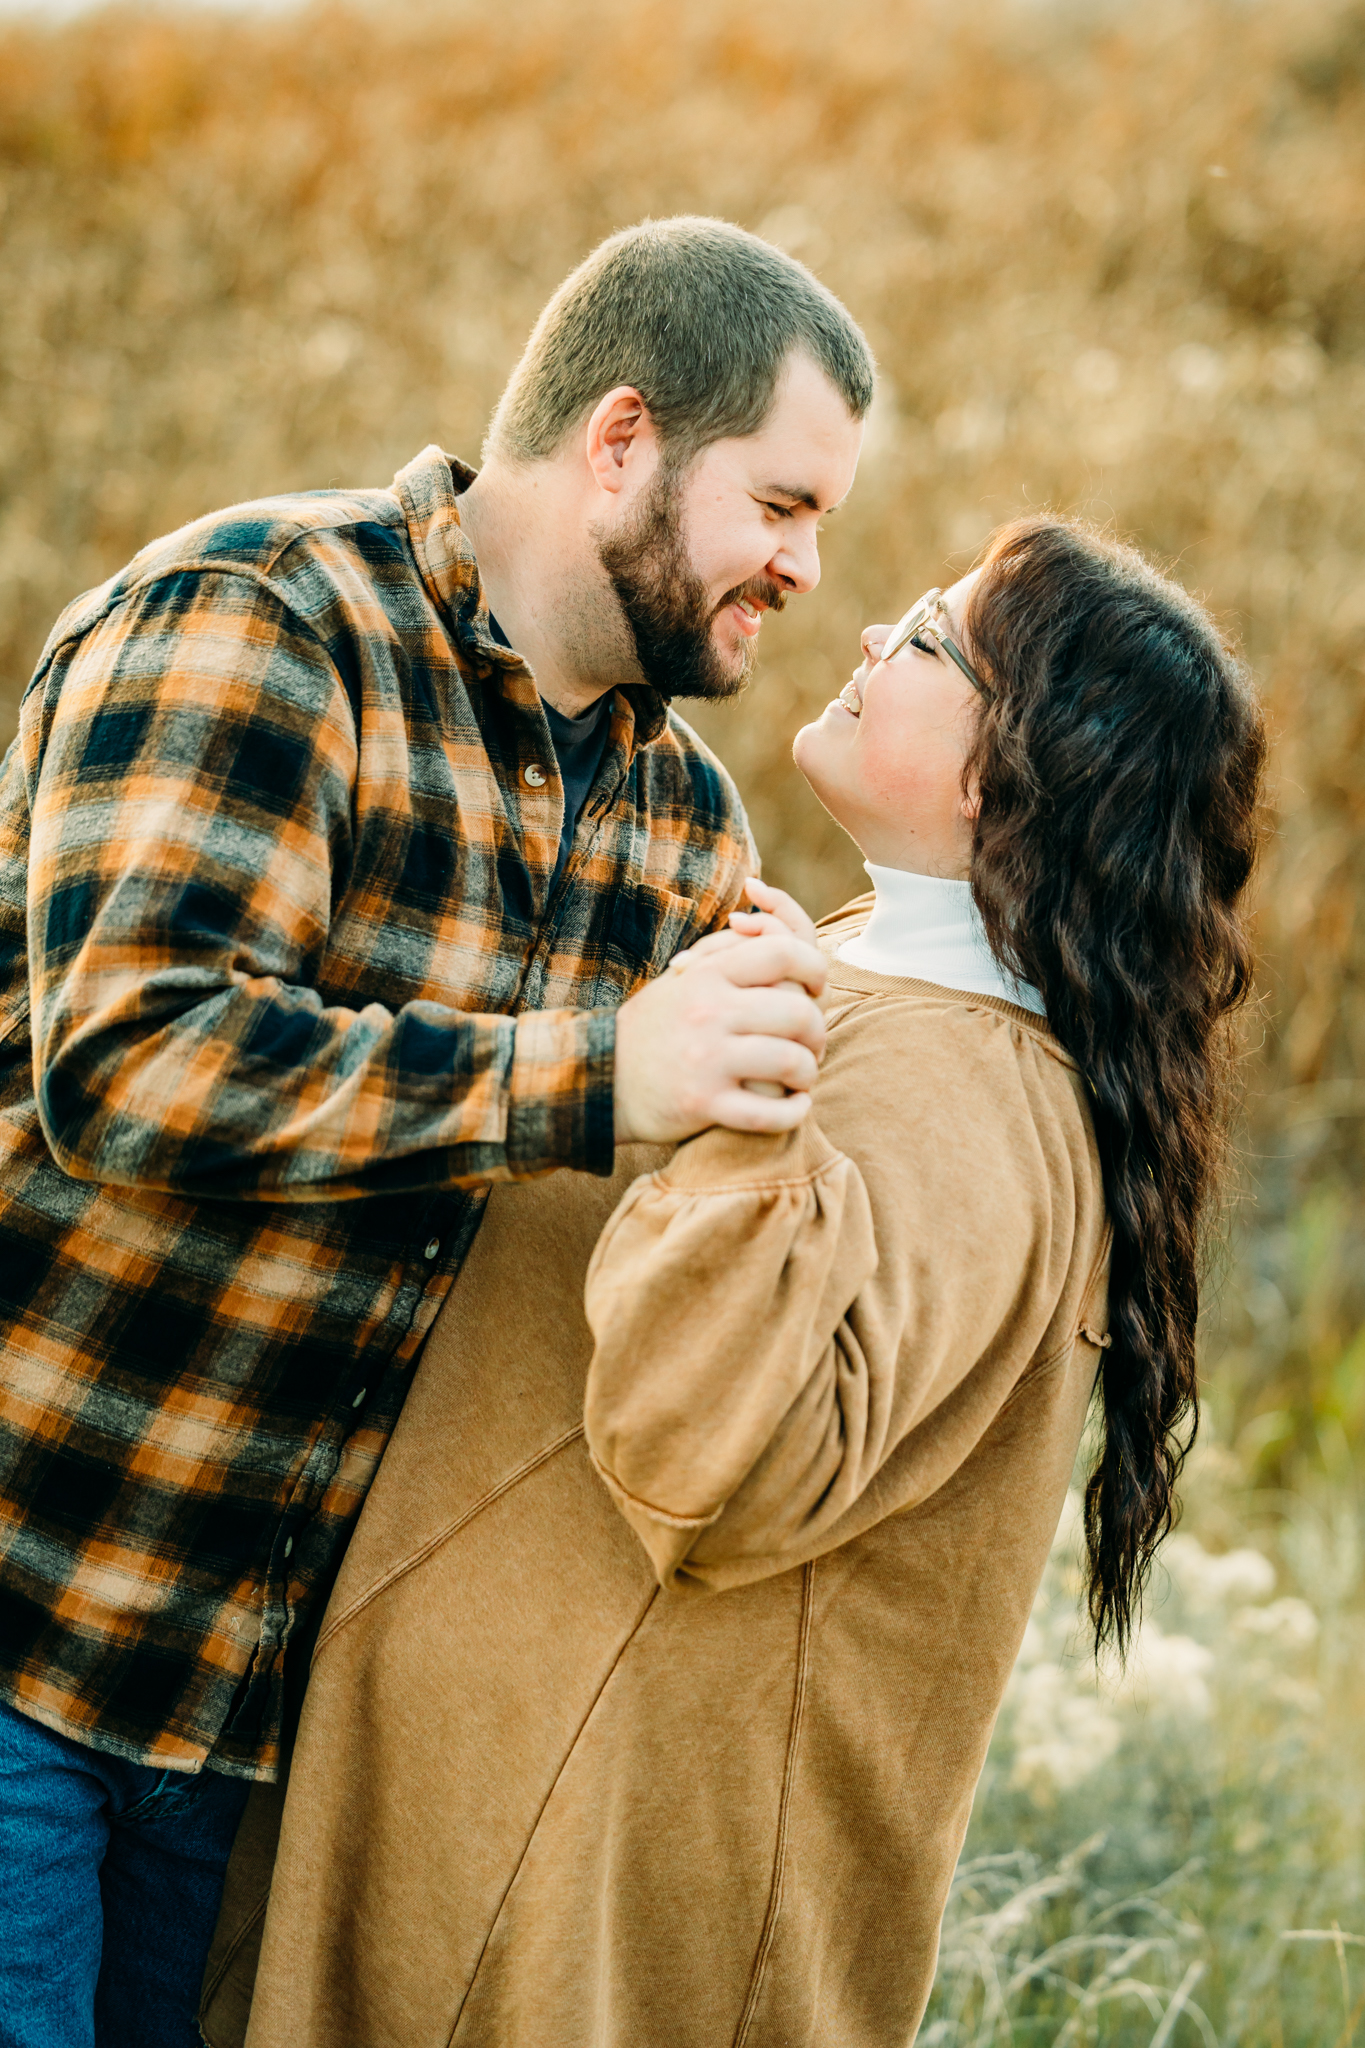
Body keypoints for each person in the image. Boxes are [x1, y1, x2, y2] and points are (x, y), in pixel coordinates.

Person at [198, 515, 1266, 2047]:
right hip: (515, 1842)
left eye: (920, 640)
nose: (860, 639)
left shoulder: (956, 1083)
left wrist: (743, 1109)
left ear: (1006, 776)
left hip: (557, 1913)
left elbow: (724, 1459)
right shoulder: (904, 999)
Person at [0, 217, 874, 2048]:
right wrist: (596, 1077)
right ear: (622, 441)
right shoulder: (260, 617)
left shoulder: (681, 822)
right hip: (29, 1623)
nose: (803, 569)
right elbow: (137, 1064)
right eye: (780, 506)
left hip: (261, 1726)